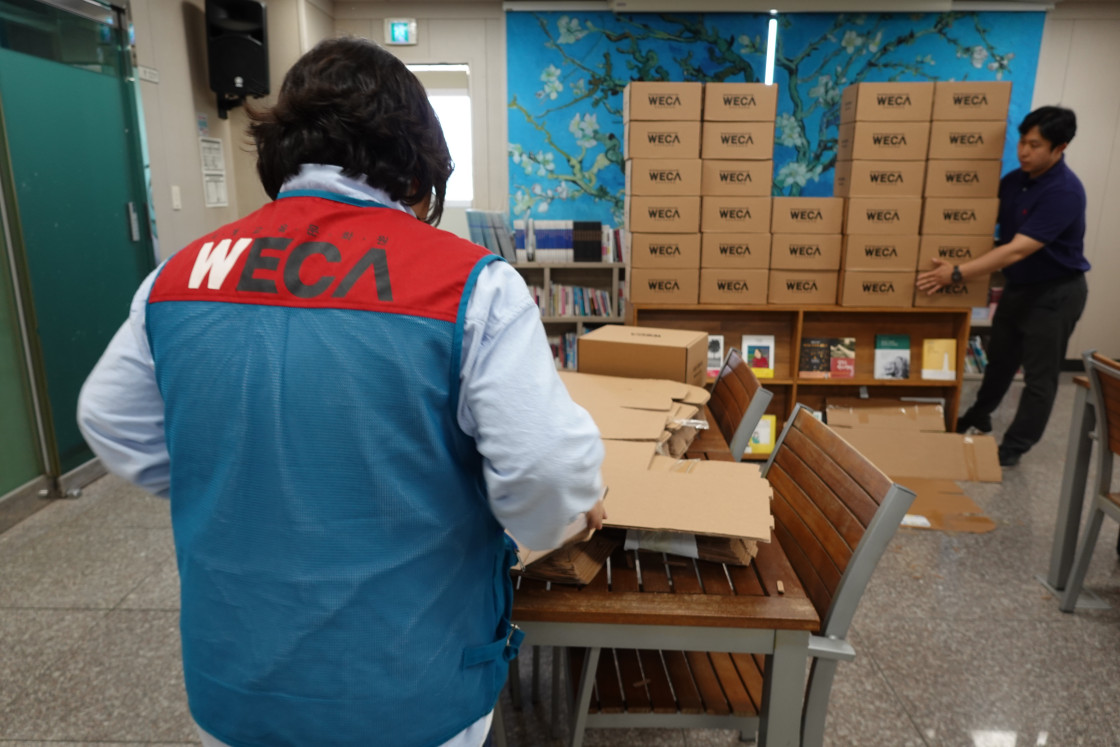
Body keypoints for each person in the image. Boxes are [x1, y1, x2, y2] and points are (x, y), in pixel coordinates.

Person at [77, 37, 606, 747]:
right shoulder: (470, 285)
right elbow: (547, 470)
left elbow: (109, 418)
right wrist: (544, 521)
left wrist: (237, 484)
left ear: (281, 150)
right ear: (418, 163)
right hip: (409, 688)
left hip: (236, 688)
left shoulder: (177, 277)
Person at [916, 106, 1089, 467]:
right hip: (1019, 287)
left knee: (1039, 377)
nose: (1024, 151)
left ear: (1060, 147)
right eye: (1022, 142)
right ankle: (979, 415)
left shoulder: (1064, 192)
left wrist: (957, 273)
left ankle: (1014, 447)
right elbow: (980, 227)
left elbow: (1017, 249)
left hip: (1056, 292)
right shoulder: (1014, 181)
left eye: (1035, 145)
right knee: (1000, 361)